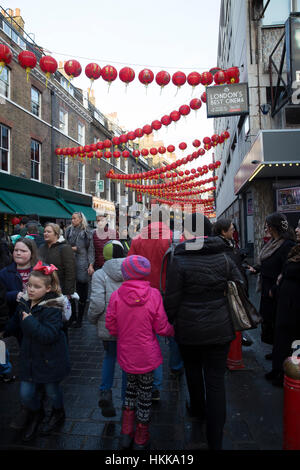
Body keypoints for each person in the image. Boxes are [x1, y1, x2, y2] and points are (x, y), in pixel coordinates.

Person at [164, 213, 243, 450]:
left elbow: (172, 298)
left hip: (189, 327)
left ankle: (197, 409)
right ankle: (215, 439)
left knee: (193, 371)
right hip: (219, 326)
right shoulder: (225, 255)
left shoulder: (179, 258)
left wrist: (172, 320)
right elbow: (240, 286)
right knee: (216, 381)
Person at [106, 255, 174, 450]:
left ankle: (126, 433)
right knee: (145, 395)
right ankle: (141, 436)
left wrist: (123, 332)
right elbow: (161, 327)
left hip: (127, 354)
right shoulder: (153, 295)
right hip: (148, 355)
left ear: (125, 273)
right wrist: (173, 331)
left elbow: (111, 325)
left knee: (129, 391)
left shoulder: (117, 295)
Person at [6, 262, 70, 441]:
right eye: (29, 286)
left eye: (36, 287)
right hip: (30, 358)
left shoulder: (53, 307)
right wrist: (5, 331)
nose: (31, 290)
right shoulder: (25, 302)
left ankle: (58, 412)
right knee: (26, 394)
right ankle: (37, 413)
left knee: (52, 391)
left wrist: (29, 321)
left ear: (48, 288)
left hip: (50, 360)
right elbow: (15, 321)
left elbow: (48, 335)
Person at [128, 215, 184, 399]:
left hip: (144, 294)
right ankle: (176, 366)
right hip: (169, 291)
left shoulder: (137, 240)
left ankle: (154, 383)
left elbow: (130, 266)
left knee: (151, 337)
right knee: (173, 329)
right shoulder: (174, 238)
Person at [247, 212, 296, 353]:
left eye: (267, 225)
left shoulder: (287, 245)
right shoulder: (272, 242)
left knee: (277, 322)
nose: (266, 228)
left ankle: (281, 354)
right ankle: (276, 351)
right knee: (268, 320)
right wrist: (256, 269)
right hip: (266, 286)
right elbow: (267, 262)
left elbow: (285, 269)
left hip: (277, 289)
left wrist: (275, 287)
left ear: (273, 227)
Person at [87, 240, 125, 417]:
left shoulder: (100, 274)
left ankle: (105, 391)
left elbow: (96, 303)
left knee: (109, 357)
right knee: (127, 364)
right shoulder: (131, 272)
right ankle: (127, 399)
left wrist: (92, 319)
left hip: (108, 325)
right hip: (128, 326)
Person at [265, 218, 300, 386]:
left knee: (293, 342)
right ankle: (278, 370)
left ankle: (289, 374)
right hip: (285, 301)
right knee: (281, 338)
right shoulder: (295, 249)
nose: (297, 230)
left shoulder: (288, 246)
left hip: (295, 304)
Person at [212, 218, 251, 347]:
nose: (234, 230)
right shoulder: (221, 246)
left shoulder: (229, 243)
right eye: (231, 229)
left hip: (234, 286)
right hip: (229, 289)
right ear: (223, 231)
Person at [39, 223, 76, 340]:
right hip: (43, 289)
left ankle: (62, 345)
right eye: (44, 231)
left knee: (60, 321)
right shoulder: (42, 247)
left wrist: (68, 292)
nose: (45, 233)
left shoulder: (65, 248)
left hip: (59, 289)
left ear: (56, 233)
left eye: (48, 231)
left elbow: (70, 270)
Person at [0, 237, 38, 344]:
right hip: (15, 319)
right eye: (16, 250)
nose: (18, 253)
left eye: (23, 251)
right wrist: (14, 295)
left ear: (32, 253)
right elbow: (1, 296)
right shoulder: (4, 273)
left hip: (38, 318)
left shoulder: (40, 270)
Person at [65, 212, 95, 328]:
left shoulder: (87, 232)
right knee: (70, 291)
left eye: (74, 218)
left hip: (82, 263)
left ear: (81, 219)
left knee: (82, 292)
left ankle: (80, 319)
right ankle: (72, 316)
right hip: (69, 263)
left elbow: (90, 250)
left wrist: (91, 264)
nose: (72, 220)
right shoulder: (68, 230)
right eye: (71, 218)